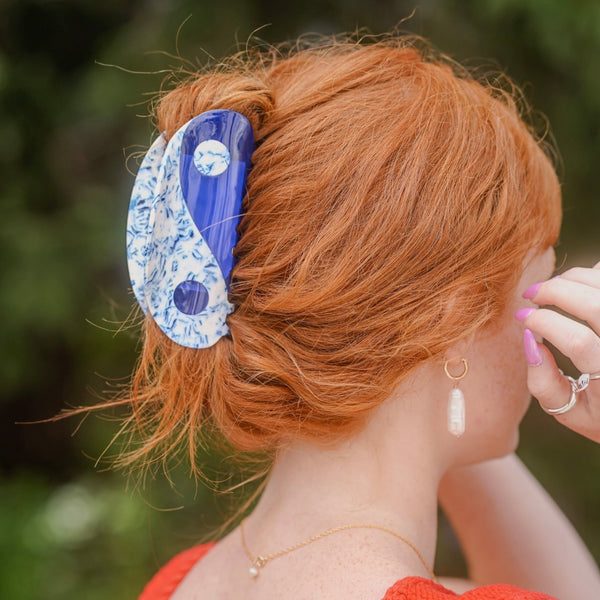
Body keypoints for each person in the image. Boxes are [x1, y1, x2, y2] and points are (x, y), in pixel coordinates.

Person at [121, 33, 600, 599]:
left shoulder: (178, 584)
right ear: (459, 317)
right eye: (537, 287)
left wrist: (413, 367)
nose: (541, 322)